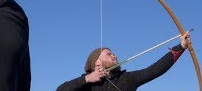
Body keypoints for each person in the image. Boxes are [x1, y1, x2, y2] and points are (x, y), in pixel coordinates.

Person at [57, 32, 191, 91]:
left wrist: (181, 47)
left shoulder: (127, 79)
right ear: (96, 62)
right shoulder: (85, 83)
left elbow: (155, 69)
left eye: (114, 53)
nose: (114, 56)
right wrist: (86, 79)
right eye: (109, 54)